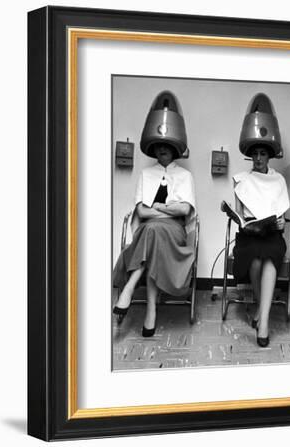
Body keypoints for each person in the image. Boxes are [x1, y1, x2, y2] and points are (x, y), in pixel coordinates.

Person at [112, 91, 197, 337]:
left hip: (174, 232)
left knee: (153, 229)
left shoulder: (185, 176)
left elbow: (184, 210)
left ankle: (129, 288)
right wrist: (165, 210)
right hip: (152, 232)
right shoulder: (145, 175)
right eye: (158, 145)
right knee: (152, 231)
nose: (162, 149)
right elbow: (140, 210)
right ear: (153, 147)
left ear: (174, 148)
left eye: (167, 145)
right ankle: (151, 311)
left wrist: (157, 208)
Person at [230, 93, 290, 347]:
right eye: (255, 154)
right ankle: (260, 307)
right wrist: (244, 222)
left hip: (272, 235)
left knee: (269, 257)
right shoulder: (241, 178)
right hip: (249, 235)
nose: (258, 158)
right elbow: (240, 214)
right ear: (250, 155)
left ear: (269, 155)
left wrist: (280, 223)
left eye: (263, 154)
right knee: (255, 260)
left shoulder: (278, 179)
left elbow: (283, 216)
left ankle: (263, 320)